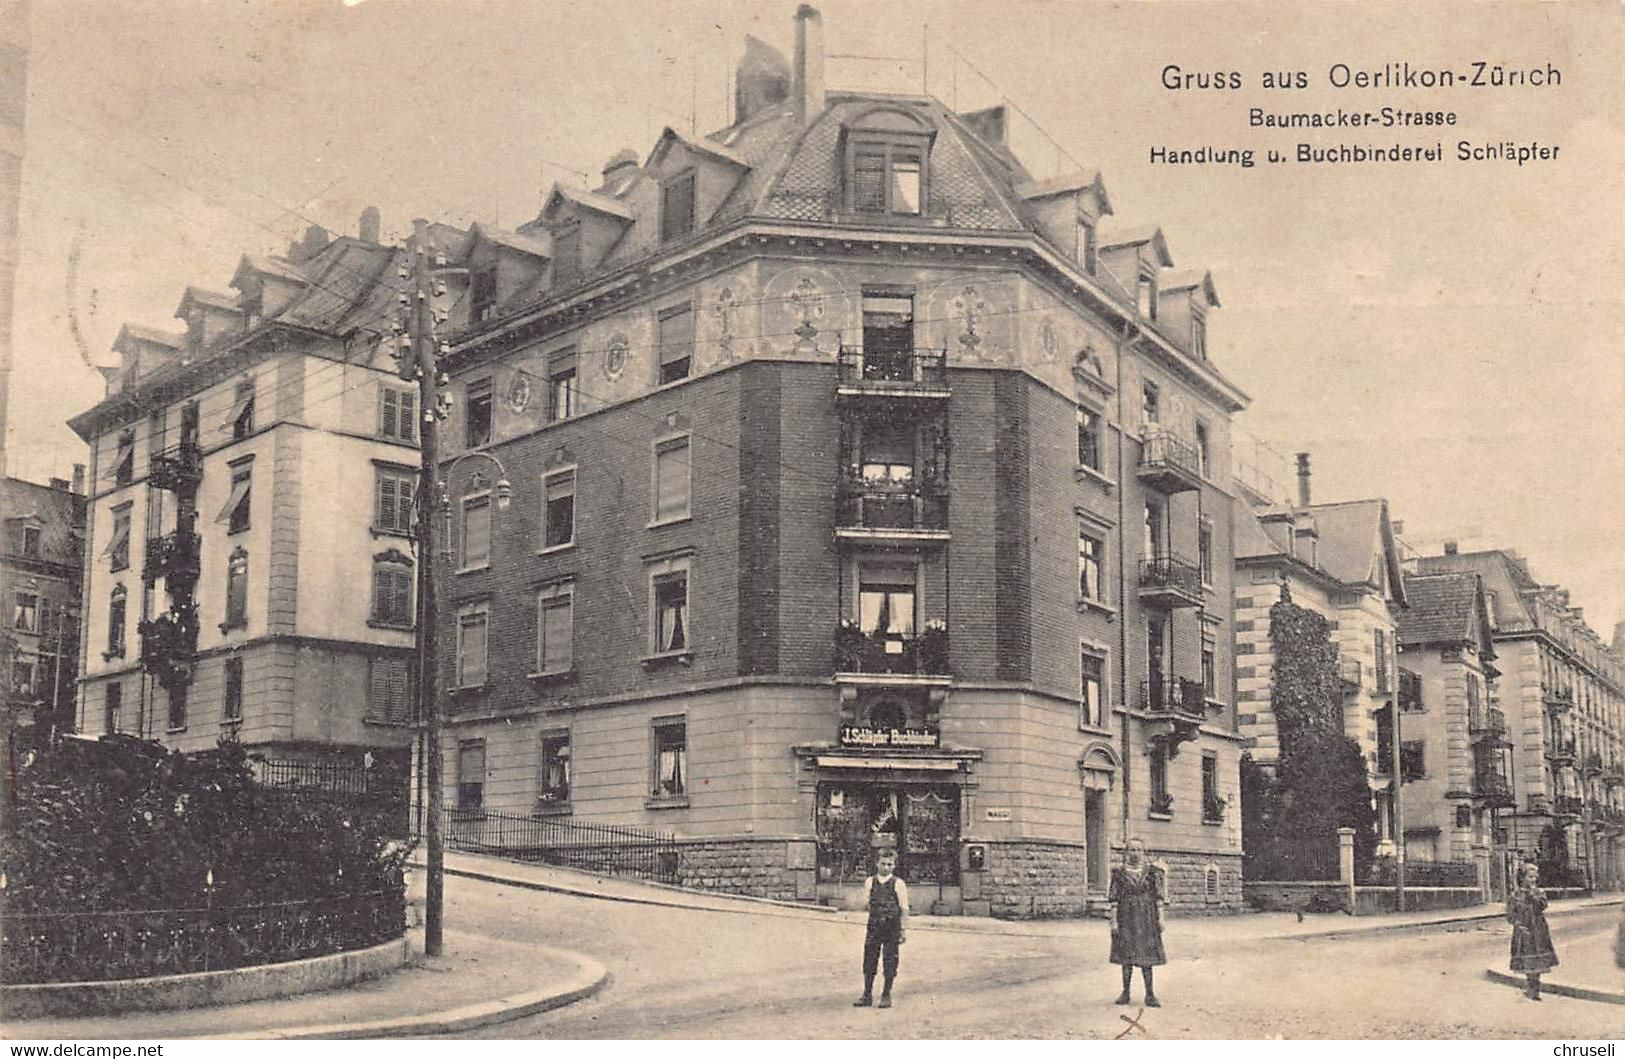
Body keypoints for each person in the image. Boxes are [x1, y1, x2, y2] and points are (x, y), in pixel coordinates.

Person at [1109, 837, 1166, 1007]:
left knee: (1146, 957)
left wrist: (1161, 918)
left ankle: (1150, 994)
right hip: (1125, 917)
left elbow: (1159, 898)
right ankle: (1125, 993)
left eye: (1138, 850)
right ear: (1126, 852)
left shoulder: (1152, 872)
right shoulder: (1118, 874)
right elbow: (1114, 899)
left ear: (1143, 852)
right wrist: (1113, 921)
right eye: (1132, 850)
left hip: (1147, 918)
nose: (1135, 853)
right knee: (1126, 956)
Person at [854, 847, 909, 1009]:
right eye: (883, 864)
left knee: (890, 959)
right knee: (870, 958)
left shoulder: (898, 883)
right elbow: (865, 903)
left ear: (894, 866)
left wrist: (903, 929)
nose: (886, 867)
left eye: (890, 864)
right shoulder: (870, 882)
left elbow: (904, 908)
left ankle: (886, 994)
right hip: (874, 925)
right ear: (877, 864)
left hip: (892, 925)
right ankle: (867, 994)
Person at [1508, 860, 1558, 1000]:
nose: (1533, 880)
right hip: (1523, 930)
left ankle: (1535, 988)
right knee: (1527, 961)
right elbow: (1510, 915)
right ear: (1522, 878)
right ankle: (1530, 986)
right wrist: (1518, 925)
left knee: (1538, 961)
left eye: (1535, 877)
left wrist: (1532, 895)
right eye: (1529, 877)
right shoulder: (1515, 895)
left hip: (1538, 930)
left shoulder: (1539, 892)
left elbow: (1542, 906)